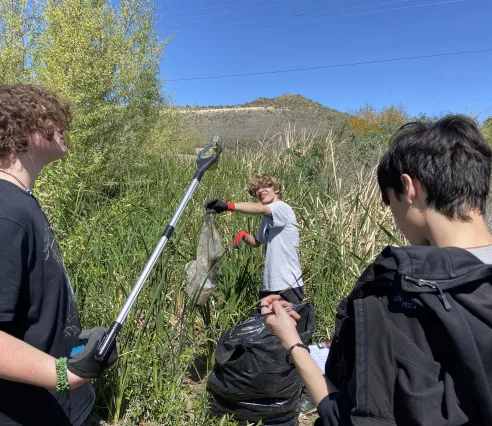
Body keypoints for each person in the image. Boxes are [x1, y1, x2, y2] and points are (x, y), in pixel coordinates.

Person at [261, 115, 492, 425]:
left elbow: (351, 417)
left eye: (390, 203)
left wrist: (292, 343)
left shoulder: (393, 296)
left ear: (409, 188)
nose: (395, 219)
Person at [0, 84, 117, 426]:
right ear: (17, 129)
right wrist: (62, 374)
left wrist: (69, 344)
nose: (62, 125)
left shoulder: (11, 203)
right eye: (50, 116)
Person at [204, 172, 304, 305]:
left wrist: (229, 206)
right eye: (256, 189)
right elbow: (257, 242)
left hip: (288, 285)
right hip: (270, 285)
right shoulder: (267, 219)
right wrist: (245, 236)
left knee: (285, 325)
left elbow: (261, 209)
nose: (260, 191)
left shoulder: (282, 209)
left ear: (276, 189)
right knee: (265, 324)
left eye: (265, 186)